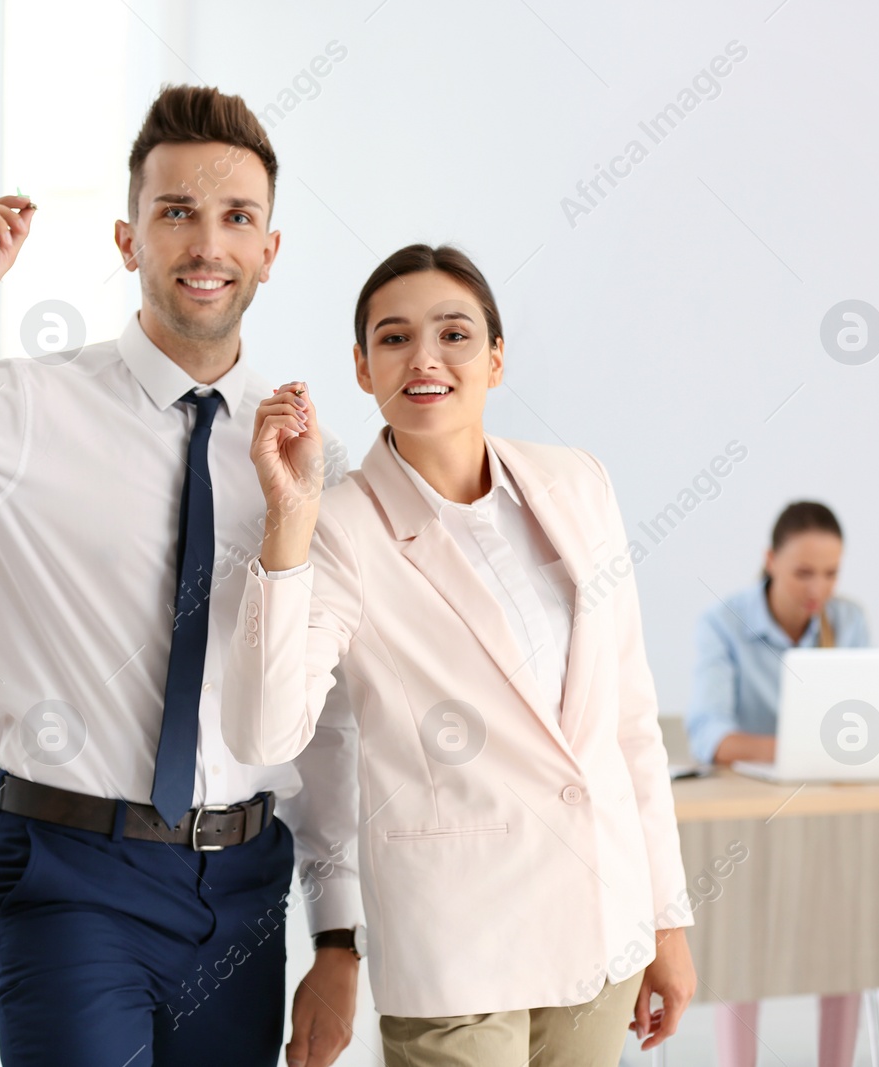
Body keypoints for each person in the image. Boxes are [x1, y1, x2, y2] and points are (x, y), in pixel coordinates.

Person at [0, 86, 363, 1067]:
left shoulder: (304, 456)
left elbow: (327, 717)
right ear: (128, 239)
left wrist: (337, 932)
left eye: (234, 217)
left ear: (268, 249)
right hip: (71, 870)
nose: (205, 242)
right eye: (175, 212)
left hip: (247, 881)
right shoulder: (23, 407)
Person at [221, 244, 697, 1066]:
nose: (427, 358)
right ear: (364, 369)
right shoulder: (339, 524)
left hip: (603, 926)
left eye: (455, 334)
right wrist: (287, 526)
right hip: (461, 949)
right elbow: (266, 736)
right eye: (396, 338)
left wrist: (667, 916)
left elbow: (628, 717)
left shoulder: (578, 483)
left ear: (497, 359)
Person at [684, 501, 869, 1067]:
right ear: (770, 561)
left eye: (832, 573)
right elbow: (710, 737)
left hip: (831, 815)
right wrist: (803, 750)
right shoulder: (723, 624)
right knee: (748, 944)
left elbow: (863, 720)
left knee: (849, 943)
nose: (820, 588)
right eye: (804, 572)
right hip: (751, 820)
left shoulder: (849, 621)